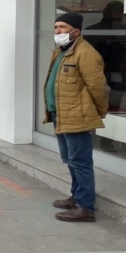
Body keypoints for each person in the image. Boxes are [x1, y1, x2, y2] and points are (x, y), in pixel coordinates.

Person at [44, 13, 108, 223]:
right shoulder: (62, 51)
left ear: (76, 31)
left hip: (77, 116)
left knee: (80, 162)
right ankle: (76, 196)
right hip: (61, 114)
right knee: (70, 160)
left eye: (62, 27)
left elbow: (98, 88)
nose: (58, 31)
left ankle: (85, 207)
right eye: (56, 27)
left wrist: (98, 111)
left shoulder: (86, 53)